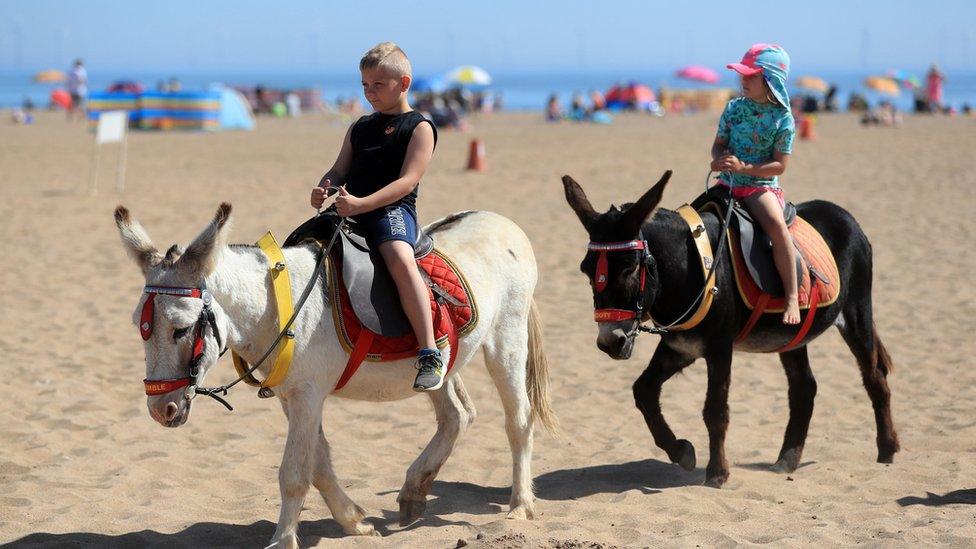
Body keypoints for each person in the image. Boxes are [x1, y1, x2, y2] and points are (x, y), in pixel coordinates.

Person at [309, 42, 443, 391]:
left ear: (404, 83)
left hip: (392, 211)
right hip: (350, 205)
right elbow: (339, 169)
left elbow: (407, 181)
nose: (370, 93)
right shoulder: (360, 127)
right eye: (365, 85)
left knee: (399, 258)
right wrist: (324, 187)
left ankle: (429, 351)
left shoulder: (419, 127)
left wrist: (363, 204)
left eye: (378, 85)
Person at [711, 43, 800, 325]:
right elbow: (718, 145)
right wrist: (718, 161)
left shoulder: (783, 119)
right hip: (726, 182)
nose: (743, 80)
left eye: (751, 75)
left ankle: (791, 298)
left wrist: (745, 168)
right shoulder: (734, 108)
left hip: (760, 187)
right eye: (742, 74)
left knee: (776, 227)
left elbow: (780, 165)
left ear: (770, 80)